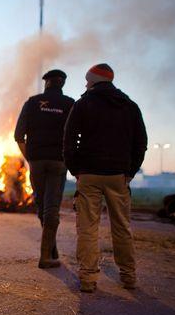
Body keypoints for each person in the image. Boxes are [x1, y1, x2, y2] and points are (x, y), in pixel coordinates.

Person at [63, 63, 147, 293]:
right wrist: (130, 171)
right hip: (118, 175)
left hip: (89, 174)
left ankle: (88, 279)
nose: (85, 84)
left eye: (87, 80)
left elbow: (68, 141)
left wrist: (75, 170)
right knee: (122, 226)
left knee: (88, 228)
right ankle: (128, 276)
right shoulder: (130, 106)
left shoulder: (82, 104)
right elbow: (141, 143)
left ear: (94, 80)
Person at [14, 70, 74, 268]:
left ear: (47, 83)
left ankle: (49, 250)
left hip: (37, 161)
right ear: (62, 84)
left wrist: (29, 157)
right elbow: (76, 134)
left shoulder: (32, 102)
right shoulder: (70, 104)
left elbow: (18, 135)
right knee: (52, 206)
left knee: (42, 204)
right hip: (59, 161)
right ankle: (47, 254)